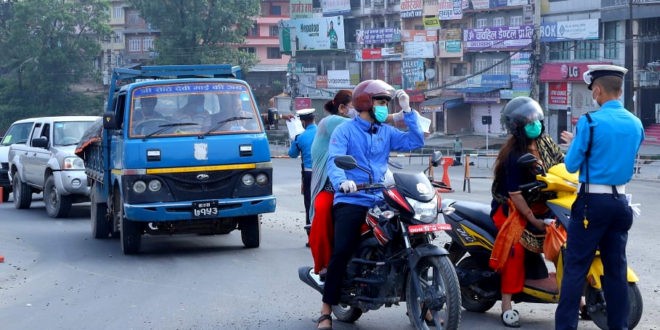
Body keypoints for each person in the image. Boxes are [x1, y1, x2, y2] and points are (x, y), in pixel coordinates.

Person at [316, 80, 424, 330]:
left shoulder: (385, 131)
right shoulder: (345, 131)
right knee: (342, 249)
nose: (385, 107)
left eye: (387, 102)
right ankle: (325, 310)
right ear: (365, 103)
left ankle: (419, 302)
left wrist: (408, 112)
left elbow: (414, 142)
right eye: (381, 102)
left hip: (380, 197)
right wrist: (343, 182)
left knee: (408, 239)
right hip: (352, 198)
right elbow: (334, 160)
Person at [555, 65, 644, 330]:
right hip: (621, 204)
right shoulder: (635, 123)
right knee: (615, 271)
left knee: (575, 269)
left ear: (597, 89)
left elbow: (571, 165)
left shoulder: (589, 122)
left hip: (592, 204)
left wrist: (575, 143)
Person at [490, 96, 564, 327]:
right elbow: (515, 194)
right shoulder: (513, 155)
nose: (536, 125)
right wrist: (533, 219)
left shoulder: (547, 144)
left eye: (537, 120)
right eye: (529, 122)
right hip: (512, 209)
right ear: (517, 127)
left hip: (546, 207)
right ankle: (506, 304)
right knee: (517, 249)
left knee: (566, 246)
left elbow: (564, 168)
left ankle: (574, 298)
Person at [308, 89, 354, 276]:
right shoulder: (330, 122)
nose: (360, 112)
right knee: (324, 210)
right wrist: (399, 115)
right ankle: (325, 266)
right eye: (356, 108)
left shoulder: (352, 129)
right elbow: (364, 124)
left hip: (354, 186)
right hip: (328, 186)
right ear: (342, 108)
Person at [288, 108, 317, 244]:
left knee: (309, 204)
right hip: (326, 173)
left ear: (303, 122)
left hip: (309, 174)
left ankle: (311, 237)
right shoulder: (323, 133)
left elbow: (292, 154)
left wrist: (294, 140)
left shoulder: (301, 137)